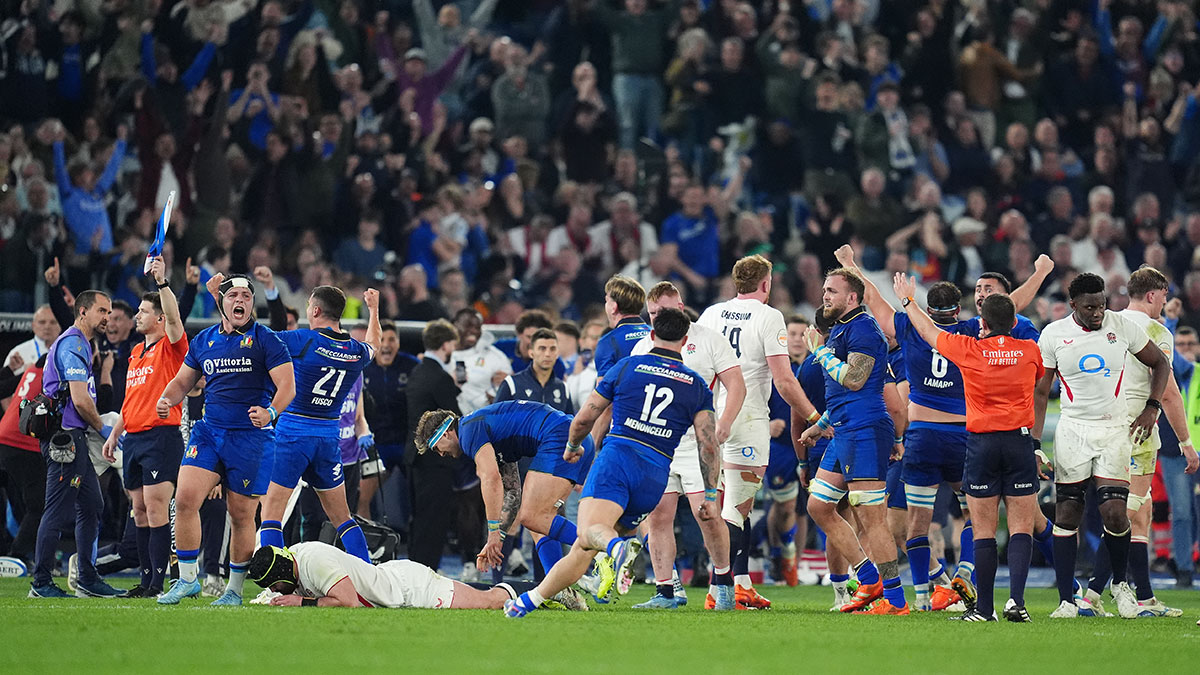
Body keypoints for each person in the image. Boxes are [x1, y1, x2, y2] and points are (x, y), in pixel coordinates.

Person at [836, 243, 1057, 610]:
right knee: (975, 515)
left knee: (917, 525)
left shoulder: (910, 327)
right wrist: (1039, 274)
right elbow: (1009, 306)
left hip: (921, 436)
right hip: (965, 436)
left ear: (929, 308)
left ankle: (923, 597)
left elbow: (872, 300)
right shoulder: (971, 332)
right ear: (962, 309)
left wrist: (851, 265)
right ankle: (966, 572)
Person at [504, 307, 724, 617]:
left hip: (617, 461)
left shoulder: (626, 367)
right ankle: (528, 602)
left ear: (651, 335)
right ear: (686, 339)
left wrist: (572, 446)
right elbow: (708, 443)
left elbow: (586, 416)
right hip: (655, 476)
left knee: (591, 532)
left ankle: (616, 548)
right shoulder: (696, 384)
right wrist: (711, 494)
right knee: (583, 548)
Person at [894, 273, 1047, 622]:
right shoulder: (1030, 351)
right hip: (1019, 442)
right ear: (1015, 322)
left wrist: (907, 300)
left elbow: (929, 332)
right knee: (1022, 526)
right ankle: (1017, 604)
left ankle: (984, 609)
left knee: (982, 530)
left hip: (980, 443)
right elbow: (1041, 382)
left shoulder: (970, 351)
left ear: (981, 322)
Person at [1034, 272, 1169, 619]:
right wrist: (1034, 443)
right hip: (1073, 431)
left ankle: (1119, 585)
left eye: (1103, 304)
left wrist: (1152, 408)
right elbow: (1039, 391)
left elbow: (1160, 363)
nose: (1098, 312)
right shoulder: (1053, 334)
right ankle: (1067, 599)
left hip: (1113, 430)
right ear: (1074, 305)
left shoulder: (1120, 326)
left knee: (1115, 512)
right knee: (1067, 513)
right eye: (1090, 307)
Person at [155, 273, 295, 606]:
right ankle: (188, 579)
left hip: (250, 438)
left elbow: (288, 386)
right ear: (222, 302)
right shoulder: (204, 340)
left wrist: (271, 413)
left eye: (247, 297)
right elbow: (182, 382)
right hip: (209, 431)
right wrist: (165, 399)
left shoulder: (267, 340)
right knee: (186, 499)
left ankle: (233, 590)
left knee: (241, 515)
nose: (241, 301)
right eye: (234, 296)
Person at [697, 254, 818, 610]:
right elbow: (783, 378)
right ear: (766, 284)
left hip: (711, 413)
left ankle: (741, 582)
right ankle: (719, 589)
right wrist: (813, 415)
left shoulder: (711, 314)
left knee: (732, 507)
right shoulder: (769, 316)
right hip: (748, 418)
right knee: (735, 509)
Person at [1085, 267, 1198, 616]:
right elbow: (1168, 392)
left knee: (1142, 511)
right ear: (1152, 295)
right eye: (1164, 295)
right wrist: (1185, 442)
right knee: (1128, 510)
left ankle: (1146, 595)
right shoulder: (1154, 331)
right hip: (1137, 431)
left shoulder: (1106, 323)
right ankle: (1090, 594)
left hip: (1102, 428)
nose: (1166, 302)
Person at [251, 270, 382, 574]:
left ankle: (277, 582)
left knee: (271, 513)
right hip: (328, 437)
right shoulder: (353, 349)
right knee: (342, 517)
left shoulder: (303, 340)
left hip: (292, 434)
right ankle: (371, 576)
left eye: (310, 306)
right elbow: (373, 345)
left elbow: (256, 338)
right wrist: (374, 310)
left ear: (316, 310)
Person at [798, 267, 908, 615]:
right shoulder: (843, 329)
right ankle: (869, 577)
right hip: (844, 427)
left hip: (863, 431)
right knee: (818, 506)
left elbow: (857, 380)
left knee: (872, 517)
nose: (824, 295)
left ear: (852, 298)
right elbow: (847, 392)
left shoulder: (862, 328)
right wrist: (821, 424)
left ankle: (895, 600)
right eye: (824, 289)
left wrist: (819, 352)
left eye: (832, 291)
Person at [632, 281, 745, 609]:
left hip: (699, 445)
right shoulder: (642, 346)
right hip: (659, 446)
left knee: (707, 514)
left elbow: (736, 385)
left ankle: (723, 582)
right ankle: (666, 591)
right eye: (652, 313)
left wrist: (723, 423)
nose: (656, 319)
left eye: (663, 312)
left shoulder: (709, 339)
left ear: (680, 308)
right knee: (658, 516)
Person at [413, 400, 593, 605]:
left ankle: (602, 548)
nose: (441, 454)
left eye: (436, 448)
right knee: (538, 522)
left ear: (445, 434)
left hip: (560, 437)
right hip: (570, 435)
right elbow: (513, 492)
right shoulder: (488, 433)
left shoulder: (469, 432)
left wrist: (492, 532)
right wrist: (499, 537)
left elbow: (491, 480)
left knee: (533, 516)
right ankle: (560, 589)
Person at [98, 257, 187, 598]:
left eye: (143, 311)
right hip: (132, 438)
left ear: (160, 319)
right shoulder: (135, 351)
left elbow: (176, 318)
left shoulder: (172, 347)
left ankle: (157, 583)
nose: (137, 316)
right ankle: (147, 579)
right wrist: (116, 433)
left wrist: (163, 282)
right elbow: (130, 400)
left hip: (160, 436)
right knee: (138, 510)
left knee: (155, 507)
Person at [28, 290, 122, 599]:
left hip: (74, 437)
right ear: (82, 312)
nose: (107, 317)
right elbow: (81, 401)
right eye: (102, 311)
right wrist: (104, 430)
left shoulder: (84, 344)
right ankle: (41, 582)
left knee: (93, 505)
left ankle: (87, 578)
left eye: (109, 311)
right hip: (65, 438)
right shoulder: (72, 345)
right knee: (57, 510)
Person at [247, 542, 585, 610]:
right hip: (393, 579)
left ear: (282, 571)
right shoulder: (295, 557)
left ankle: (553, 589)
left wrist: (300, 602)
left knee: (488, 603)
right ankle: (549, 591)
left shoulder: (314, 562)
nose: (276, 589)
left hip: (410, 589)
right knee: (477, 595)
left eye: (275, 584)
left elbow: (348, 603)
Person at [404, 319, 462, 570]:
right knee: (433, 521)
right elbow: (455, 419)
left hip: (416, 457)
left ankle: (417, 571)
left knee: (420, 519)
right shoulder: (440, 378)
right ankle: (426, 573)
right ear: (446, 344)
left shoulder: (418, 372)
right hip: (436, 461)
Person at [496, 328, 571, 413]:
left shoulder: (563, 388)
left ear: (557, 353)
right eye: (542, 348)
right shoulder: (512, 384)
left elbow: (569, 423)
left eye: (552, 349)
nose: (547, 354)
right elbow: (496, 419)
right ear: (531, 353)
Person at [449, 309, 510, 414]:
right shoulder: (442, 354)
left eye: (477, 327)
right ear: (454, 325)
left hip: (483, 420)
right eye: (467, 325)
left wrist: (499, 394)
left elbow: (509, 387)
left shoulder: (495, 357)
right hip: (448, 420)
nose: (473, 331)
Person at [594, 275, 650, 382]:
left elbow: (603, 392)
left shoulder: (608, 342)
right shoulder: (657, 335)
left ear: (614, 307)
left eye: (607, 301)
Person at [3, 305, 59, 377]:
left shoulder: (69, 351)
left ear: (60, 326)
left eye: (53, 322)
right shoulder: (18, 353)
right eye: (42, 322)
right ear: (33, 326)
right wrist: (26, 374)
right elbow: (4, 385)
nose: (47, 326)